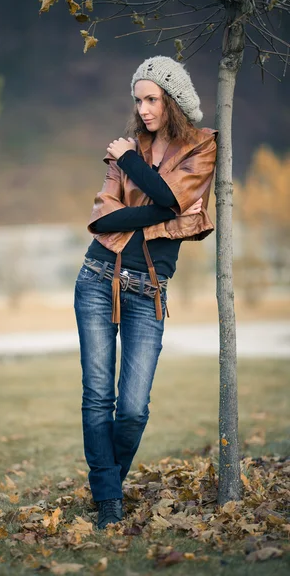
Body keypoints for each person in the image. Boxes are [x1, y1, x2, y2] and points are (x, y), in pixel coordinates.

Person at [73, 55, 218, 530]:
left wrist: (132, 163)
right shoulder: (128, 147)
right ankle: (108, 501)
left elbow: (176, 199)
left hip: (149, 291)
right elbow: (104, 219)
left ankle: (106, 484)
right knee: (98, 397)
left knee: (133, 408)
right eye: (139, 100)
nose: (145, 109)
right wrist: (166, 207)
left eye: (152, 98)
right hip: (97, 279)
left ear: (173, 100)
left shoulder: (200, 148)